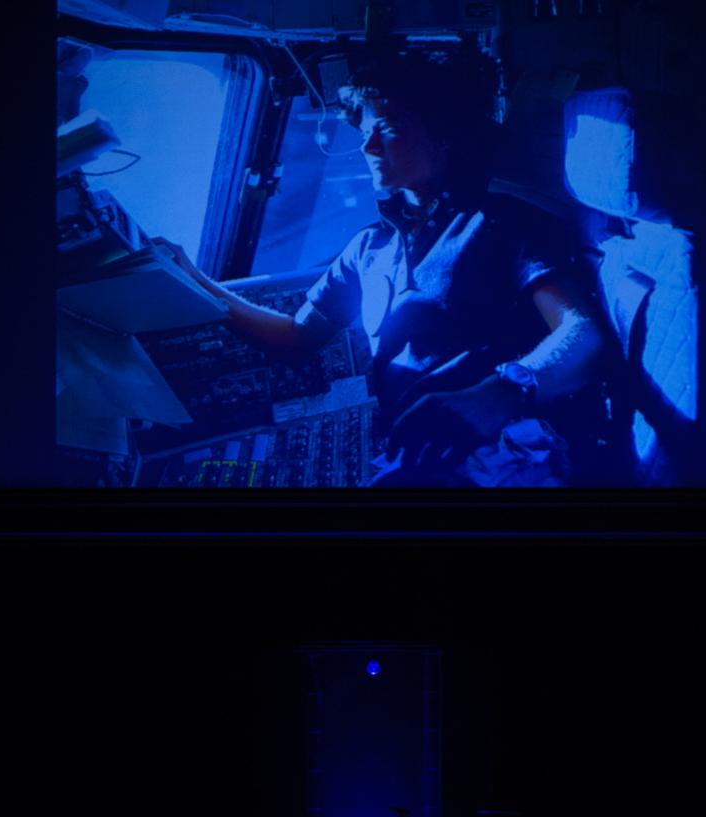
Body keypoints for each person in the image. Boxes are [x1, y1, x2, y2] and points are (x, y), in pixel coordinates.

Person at [155, 45, 612, 486]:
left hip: (511, 442)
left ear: (443, 133)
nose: (368, 147)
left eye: (388, 129)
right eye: (363, 133)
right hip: (418, 453)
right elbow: (296, 338)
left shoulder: (501, 223)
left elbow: (582, 334)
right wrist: (192, 278)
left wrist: (503, 391)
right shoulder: (368, 248)